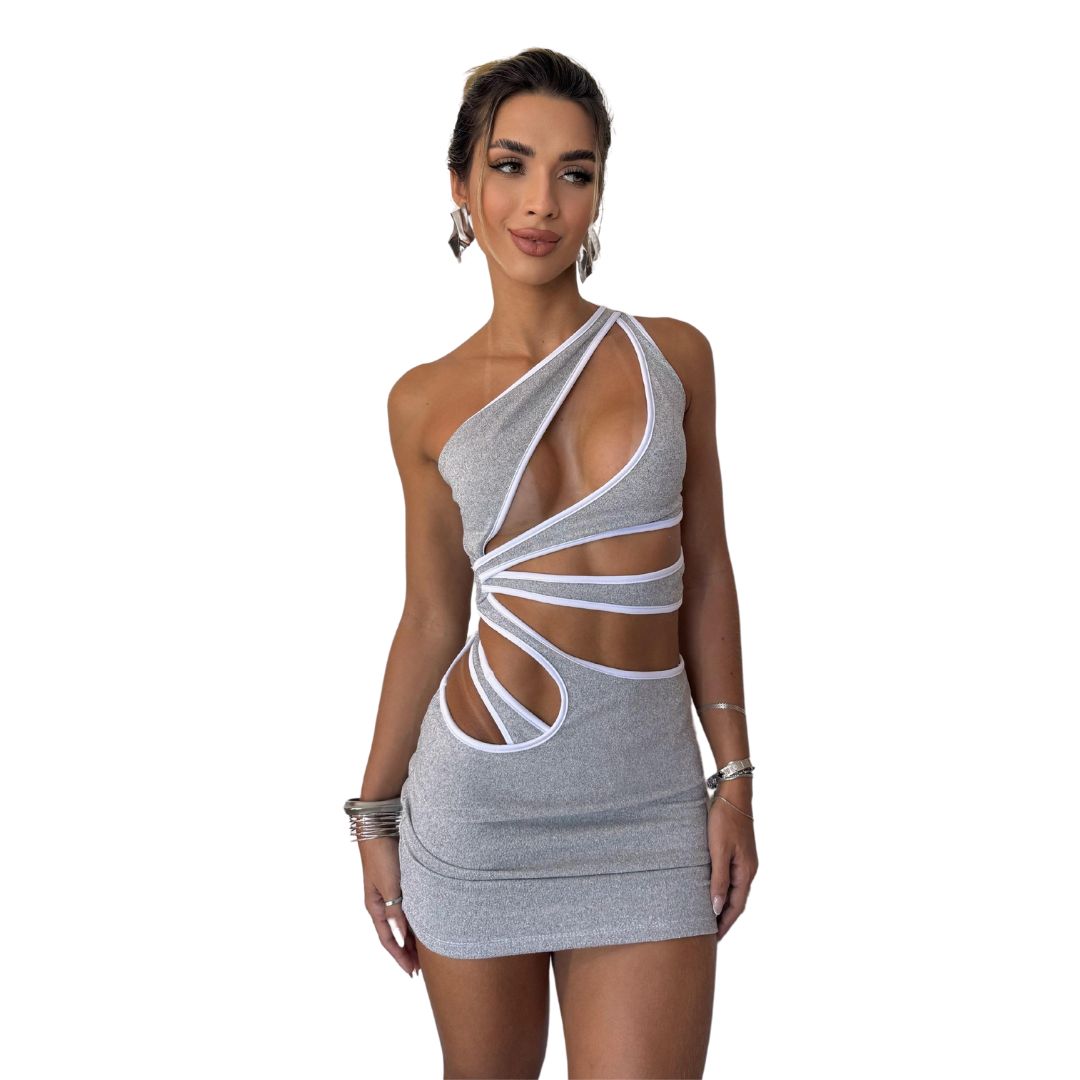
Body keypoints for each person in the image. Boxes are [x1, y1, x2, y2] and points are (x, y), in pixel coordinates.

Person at [345, 47, 758, 1078]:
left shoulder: (674, 356)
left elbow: (706, 573)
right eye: (511, 165)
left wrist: (734, 777)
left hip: (649, 810)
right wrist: (374, 813)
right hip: (477, 811)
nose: (541, 203)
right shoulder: (421, 401)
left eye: (575, 172)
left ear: (600, 193)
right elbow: (431, 619)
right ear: (461, 186)